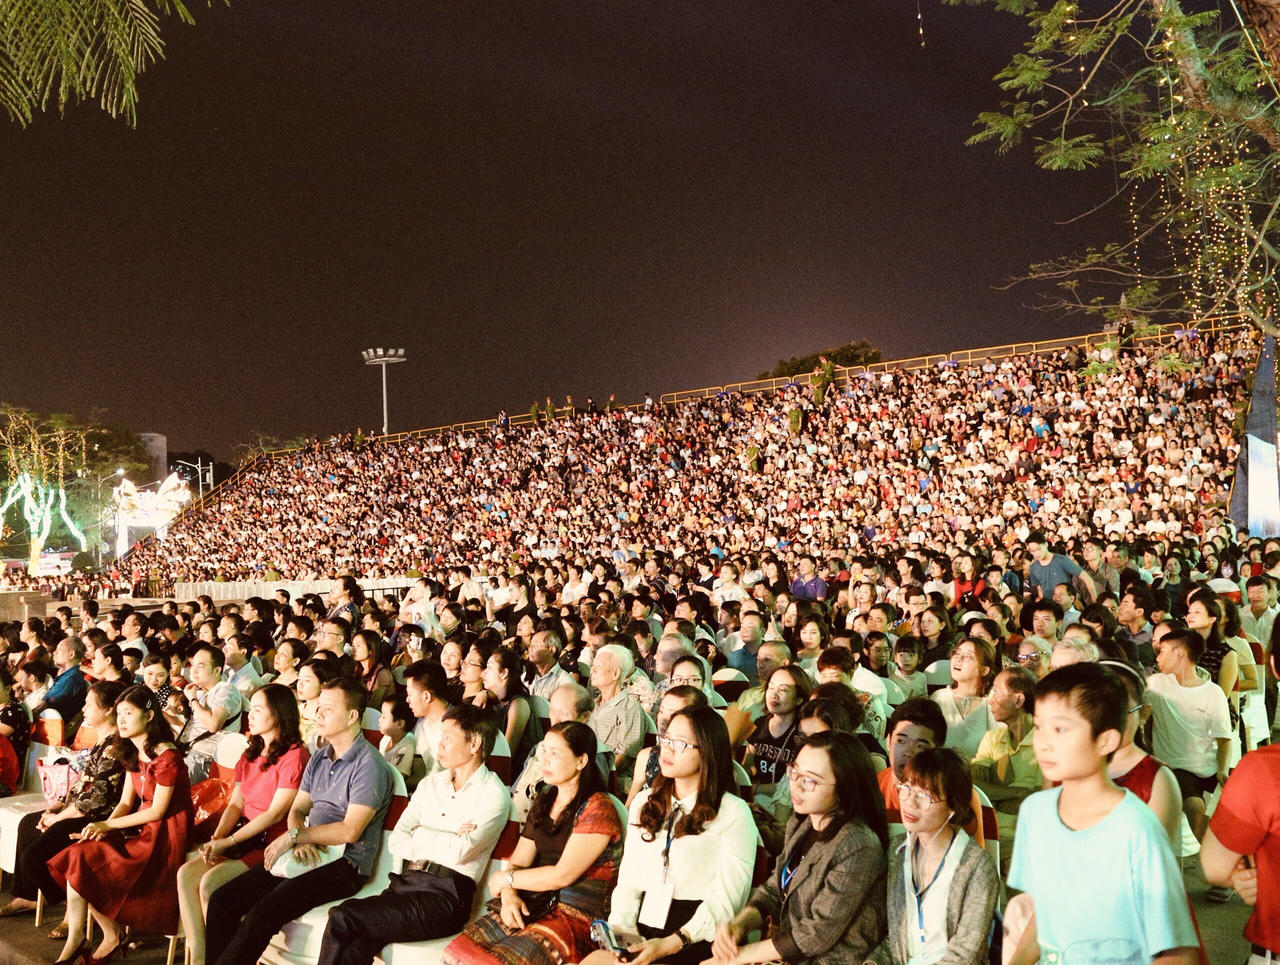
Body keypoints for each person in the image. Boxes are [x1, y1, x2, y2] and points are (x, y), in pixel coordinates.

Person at [1007, 663, 1199, 965]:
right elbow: (1045, 909)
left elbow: (1177, 952)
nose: (1043, 743)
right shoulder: (1036, 812)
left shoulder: (1136, 827)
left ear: (1106, 740)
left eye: (1060, 729)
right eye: (1039, 726)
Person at [203, 677, 396, 965]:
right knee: (223, 900)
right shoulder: (320, 757)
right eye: (318, 708)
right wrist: (299, 832)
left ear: (353, 715)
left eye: (328, 710)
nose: (318, 714)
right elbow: (299, 808)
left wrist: (297, 837)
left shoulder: (369, 766)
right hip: (309, 847)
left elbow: (350, 830)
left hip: (345, 865)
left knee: (262, 913)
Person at [315, 704, 510, 965]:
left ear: (474, 743)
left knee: (344, 915)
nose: (439, 744)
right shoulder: (431, 784)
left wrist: (420, 832)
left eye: (448, 737)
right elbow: (398, 841)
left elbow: (461, 852)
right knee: (353, 948)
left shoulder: (493, 793)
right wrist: (449, 833)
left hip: (446, 897)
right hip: (404, 884)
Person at [582, 706, 757, 965]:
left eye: (682, 743)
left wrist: (672, 943)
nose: (668, 748)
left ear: (707, 750)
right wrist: (623, 935)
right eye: (666, 738)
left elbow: (727, 902)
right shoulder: (644, 802)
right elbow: (629, 881)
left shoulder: (733, 812)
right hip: (644, 922)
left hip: (696, 934)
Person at [444, 721, 624, 965]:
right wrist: (508, 896)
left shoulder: (598, 807)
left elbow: (563, 876)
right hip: (535, 901)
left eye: (555, 753)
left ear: (581, 761)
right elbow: (519, 860)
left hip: (576, 916)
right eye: (543, 751)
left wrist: (505, 880)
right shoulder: (545, 798)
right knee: (457, 954)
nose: (545, 760)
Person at [711, 732, 888, 965]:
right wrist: (740, 924)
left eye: (810, 780)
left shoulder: (858, 845)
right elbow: (775, 889)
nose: (796, 785)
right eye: (794, 772)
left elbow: (817, 933)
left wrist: (741, 957)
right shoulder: (802, 823)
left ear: (845, 787)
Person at [49, 685, 193, 965]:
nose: (122, 720)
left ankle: (109, 937)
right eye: (120, 714)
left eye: (129, 713)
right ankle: (82, 936)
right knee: (81, 854)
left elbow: (157, 811)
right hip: (142, 828)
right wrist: (100, 827)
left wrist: (107, 827)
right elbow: (126, 802)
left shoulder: (167, 755)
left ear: (149, 715)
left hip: (166, 835)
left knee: (89, 862)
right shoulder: (131, 750)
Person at [176, 684, 309, 965]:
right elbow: (235, 804)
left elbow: (275, 815)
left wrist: (228, 842)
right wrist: (218, 837)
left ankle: (220, 956)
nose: (251, 714)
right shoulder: (251, 752)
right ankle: (199, 957)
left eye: (259, 709)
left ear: (279, 713)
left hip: (270, 841)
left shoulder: (295, 755)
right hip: (242, 833)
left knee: (210, 884)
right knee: (185, 874)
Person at [0, 680, 127, 928]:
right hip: (83, 808)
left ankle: (73, 906)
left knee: (33, 858)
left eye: (90, 705)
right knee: (28, 823)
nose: (83, 710)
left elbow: (97, 798)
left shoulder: (115, 746)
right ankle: (28, 896)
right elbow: (82, 784)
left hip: (100, 816)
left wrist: (59, 818)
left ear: (109, 709)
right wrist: (58, 805)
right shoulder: (102, 742)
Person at [867, 747, 999, 965]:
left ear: (953, 806)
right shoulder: (898, 852)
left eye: (924, 795)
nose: (910, 802)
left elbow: (966, 953)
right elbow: (895, 940)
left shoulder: (977, 867)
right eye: (906, 788)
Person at [1146, 628, 1232, 842]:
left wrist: (1222, 770)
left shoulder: (1212, 692)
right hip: (1175, 768)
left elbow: (1223, 739)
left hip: (1208, 766)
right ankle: (1216, 857)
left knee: (1245, 789)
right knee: (1195, 805)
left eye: (1162, 651)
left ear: (1180, 654)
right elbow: (1139, 715)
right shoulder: (1157, 685)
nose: (1157, 658)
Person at [626, 685, 708, 809]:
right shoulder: (647, 757)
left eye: (675, 714)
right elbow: (629, 807)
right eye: (662, 711)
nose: (664, 720)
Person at [177, 643, 245, 782]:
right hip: (188, 752)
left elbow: (213, 724)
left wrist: (193, 700)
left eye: (200, 666)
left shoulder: (226, 689)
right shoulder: (201, 692)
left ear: (216, 670)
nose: (193, 671)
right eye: (192, 665)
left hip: (205, 760)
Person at [588, 643, 646, 793]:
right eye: (592, 666)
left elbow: (625, 757)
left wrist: (596, 779)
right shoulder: (591, 704)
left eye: (598, 667)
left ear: (615, 673)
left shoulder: (630, 708)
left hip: (612, 782)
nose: (591, 671)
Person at [747, 665, 811, 795]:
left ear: (799, 699)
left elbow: (795, 784)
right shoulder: (759, 724)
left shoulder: (804, 733)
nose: (773, 694)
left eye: (783, 690)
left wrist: (755, 790)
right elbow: (750, 767)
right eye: (771, 687)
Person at [930, 637, 995, 760]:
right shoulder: (939, 697)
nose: (958, 659)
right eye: (957, 653)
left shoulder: (992, 702)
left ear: (984, 670)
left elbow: (998, 751)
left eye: (968, 656)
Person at [483, 645, 544, 774]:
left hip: (517, 777)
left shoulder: (518, 704)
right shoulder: (494, 703)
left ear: (504, 673)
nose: (483, 673)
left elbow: (506, 754)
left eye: (489, 667)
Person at [378, 694, 417, 777]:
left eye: (384, 717)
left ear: (400, 723)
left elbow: (398, 778)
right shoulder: (386, 739)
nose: (379, 719)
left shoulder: (407, 747)